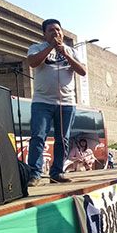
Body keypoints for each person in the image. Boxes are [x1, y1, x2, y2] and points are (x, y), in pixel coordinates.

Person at [26, 18, 86, 186]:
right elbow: (32, 62)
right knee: (38, 137)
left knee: (63, 139)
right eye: (51, 30)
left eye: (58, 30)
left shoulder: (70, 51)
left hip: (66, 103)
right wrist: (51, 47)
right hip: (42, 102)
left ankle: (57, 172)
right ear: (44, 34)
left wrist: (65, 53)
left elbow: (82, 71)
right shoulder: (36, 48)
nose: (56, 33)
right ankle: (34, 174)